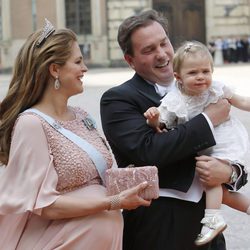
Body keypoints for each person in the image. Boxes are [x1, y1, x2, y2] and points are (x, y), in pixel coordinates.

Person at [100, 10, 248, 250]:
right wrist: (208, 119)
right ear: (130, 60)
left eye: (164, 43)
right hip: (159, 227)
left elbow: (227, 145)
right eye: (148, 50)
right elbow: (150, 151)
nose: (162, 54)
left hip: (207, 226)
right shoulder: (117, 99)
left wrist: (230, 172)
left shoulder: (206, 88)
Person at [0, 19, 152, 249]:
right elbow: (45, 205)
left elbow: (98, 175)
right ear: (55, 69)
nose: (85, 68)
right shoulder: (31, 124)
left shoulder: (82, 116)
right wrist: (113, 202)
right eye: (78, 61)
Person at [144, 40, 250, 246]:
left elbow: (242, 102)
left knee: (211, 181)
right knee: (219, 189)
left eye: (205, 71)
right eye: (193, 73)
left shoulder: (217, 89)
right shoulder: (175, 101)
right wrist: (152, 118)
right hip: (203, 145)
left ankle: (212, 218)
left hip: (225, 140)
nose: (201, 77)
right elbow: (160, 126)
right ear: (178, 77)